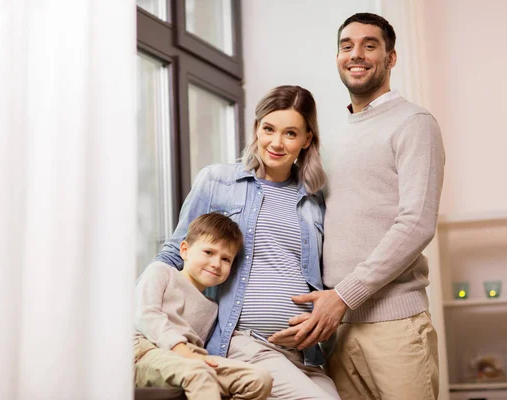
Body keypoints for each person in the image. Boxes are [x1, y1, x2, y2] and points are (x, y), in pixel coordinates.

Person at [269, 13, 445, 400]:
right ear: (337, 57)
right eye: (347, 46)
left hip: (394, 325)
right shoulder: (328, 136)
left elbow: (416, 224)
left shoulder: (414, 123)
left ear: (391, 58)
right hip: (336, 328)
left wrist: (344, 295)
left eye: (370, 45)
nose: (357, 54)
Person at [153, 85, 340, 399]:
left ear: (307, 139)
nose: (276, 143)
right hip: (244, 342)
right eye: (268, 129)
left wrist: (319, 325)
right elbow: (175, 253)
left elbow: (320, 276)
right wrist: (147, 317)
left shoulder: (313, 201)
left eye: (290, 133)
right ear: (257, 128)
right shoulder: (218, 181)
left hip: (304, 354)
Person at [134, 212, 273, 400]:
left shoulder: (212, 308)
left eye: (226, 259)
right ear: (184, 250)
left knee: (260, 379)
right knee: (199, 372)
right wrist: (182, 351)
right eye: (209, 252)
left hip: (191, 359)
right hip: (147, 352)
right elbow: (145, 316)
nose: (216, 264)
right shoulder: (161, 271)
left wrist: (193, 356)